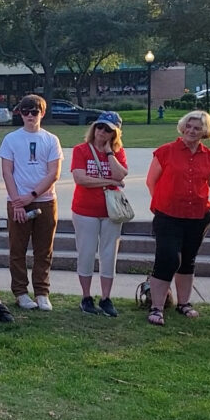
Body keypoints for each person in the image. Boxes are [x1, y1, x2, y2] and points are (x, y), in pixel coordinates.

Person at [144, 111, 210, 326]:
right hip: (168, 215)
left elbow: (207, 183)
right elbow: (152, 181)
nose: (192, 131)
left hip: (197, 216)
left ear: (205, 132)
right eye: (189, 126)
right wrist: (164, 203)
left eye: (197, 128)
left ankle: (183, 303)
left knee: (188, 260)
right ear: (182, 127)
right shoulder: (166, 152)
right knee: (168, 259)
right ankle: (157, 307)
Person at [0, 95, 63, 311]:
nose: (29, 116)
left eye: (34, 112)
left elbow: (54, 173)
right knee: (17, 249)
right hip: (17, 201)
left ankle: (42, 292)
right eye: (24, 112)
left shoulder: (51, 139)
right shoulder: (11, 139)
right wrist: (17, 203)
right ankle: (21, 292)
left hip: (44, 201)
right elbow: (7, 172)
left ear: (42, 113)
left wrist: (33, 195)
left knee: (43, 250)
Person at [70, 111, 128, 317]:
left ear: (115, 134)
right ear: (94, 127)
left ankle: (106, 298)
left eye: (108, 130)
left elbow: (121, 174)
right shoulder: (81, 150)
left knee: (109, 254)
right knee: (86, 252)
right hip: (85, 209)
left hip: (111, 211)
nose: (102, 132)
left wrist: (110, 153)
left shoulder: (117, 152)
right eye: (100, 127)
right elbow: (81, 179)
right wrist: (111, 182)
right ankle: (86, 296)